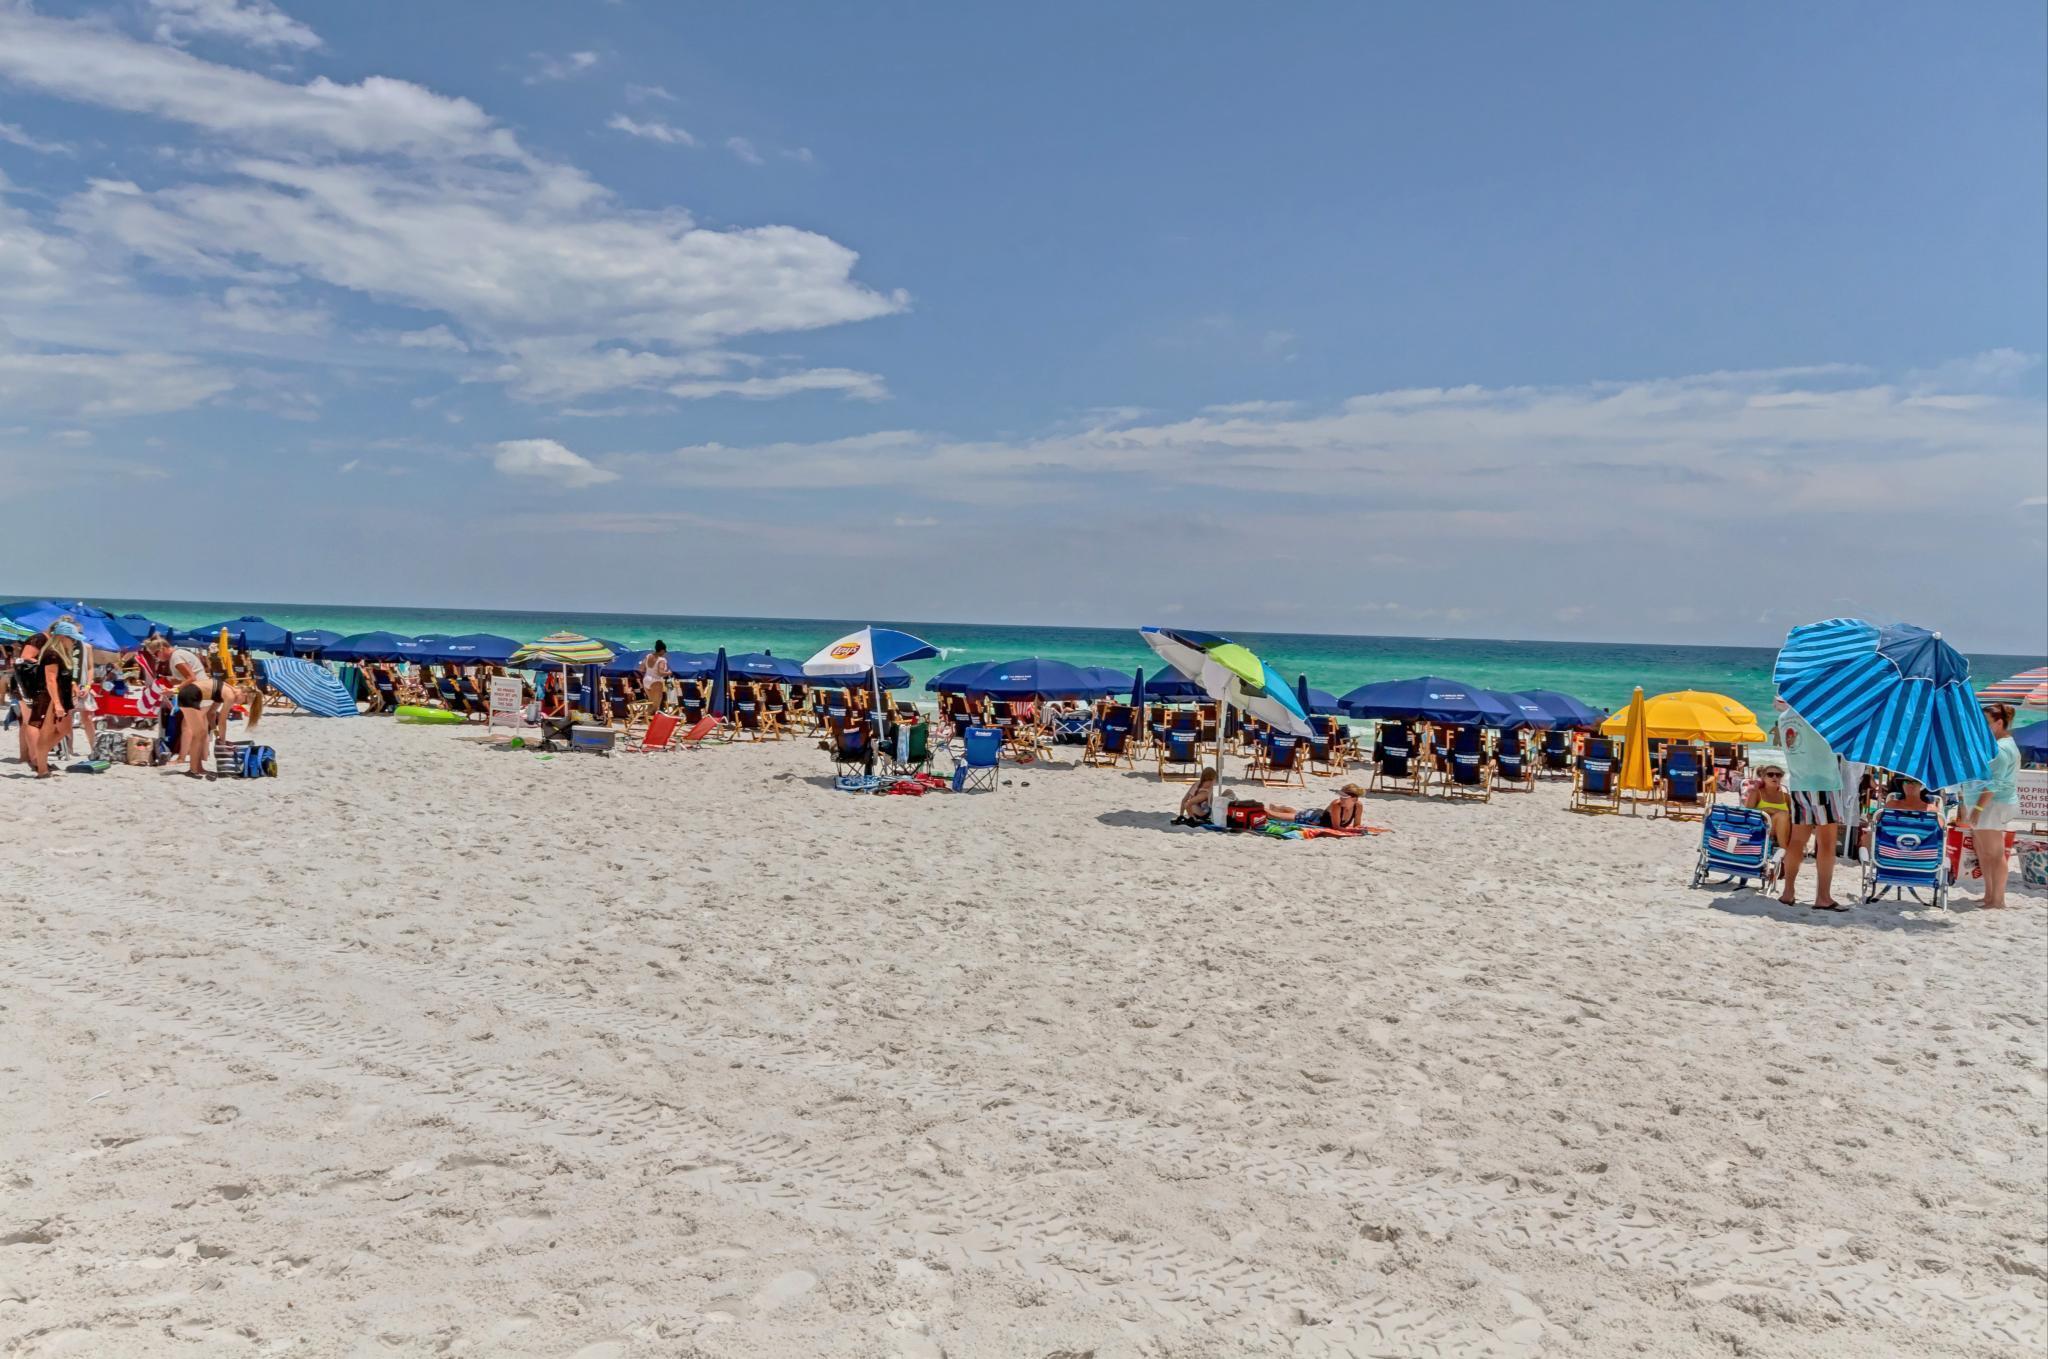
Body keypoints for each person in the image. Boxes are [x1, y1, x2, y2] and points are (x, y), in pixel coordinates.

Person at [1776, 701, 1846, 910]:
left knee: (1797, 840)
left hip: (1799, 783)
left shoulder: (1784, 718)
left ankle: (1788, 892)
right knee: (1826, 842)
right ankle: (1823, 897)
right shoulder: (1818, 711)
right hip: (1823, 782)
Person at [1959, 703, 2022, 910]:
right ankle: (1989, 895)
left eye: (1985, 724)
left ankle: (1998, 899)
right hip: (1988, 803)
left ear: (1999, 723)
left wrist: (1977, 809)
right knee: (1984, 851)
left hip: (1994, 804)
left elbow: (1993, 783)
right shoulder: (1997, 745)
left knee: (1994, 853)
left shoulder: (2002, 749)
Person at [1270, 783, 1367, 830]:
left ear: (1354, 799)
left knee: (1296, 813)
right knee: (1275, 816)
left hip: (1318, 813)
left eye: (1345, 797)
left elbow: (1356, 825)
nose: (1341, 799)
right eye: (1340, 796)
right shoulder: (1336, 804)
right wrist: (1354, 831)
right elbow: (1336, 827)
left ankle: (1280, 808)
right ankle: (1257, 807)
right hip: (1312, 818)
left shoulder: (1358, 806)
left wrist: (1359, 828)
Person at [1743, 759, 1792, 848]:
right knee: (1782, 815)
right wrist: (1766, 810)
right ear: (1763, 777)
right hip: (1762, 829)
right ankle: (1784, 850)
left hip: (1785, 830)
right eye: (1770, 775)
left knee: (1785, 816)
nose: (1775, 777)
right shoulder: (1756, 793)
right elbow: (1746, 813)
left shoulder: (1786, 797)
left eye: (1778, 775)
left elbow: (1795, 816)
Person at [640, 641, 671, 713]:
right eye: (664, 652)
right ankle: (652, 721)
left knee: (650, 702)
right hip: (656, 681)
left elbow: (641, 668)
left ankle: (646, 720)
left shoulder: (648, 656)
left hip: (646, 680)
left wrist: (650, 670)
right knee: (655, 706)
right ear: (662, 650)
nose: (664, 653)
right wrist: (670, 672)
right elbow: (660, 673)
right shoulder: (661, 660)